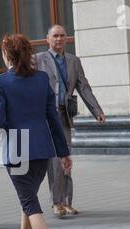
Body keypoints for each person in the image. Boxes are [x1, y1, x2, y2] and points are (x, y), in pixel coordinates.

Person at [0, 34, 72, 229]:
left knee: (30, 204)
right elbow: (54, 119)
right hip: (42, 149)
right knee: (29, 200)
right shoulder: (42, 79)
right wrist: (64, 152)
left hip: (16, 151)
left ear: (8, 55)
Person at [35, 25, 106, 218]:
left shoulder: (74, 61)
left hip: (64, 116)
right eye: (55, 36)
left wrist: (96, 110)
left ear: (66, 39)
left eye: (62, 36)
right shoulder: (38, 60)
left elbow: (84, 88)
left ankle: (67, 202)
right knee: (55, 161)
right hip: (46, 118)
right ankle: (57, 202)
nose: (59, 39)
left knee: (65, 160)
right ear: (47, 39)